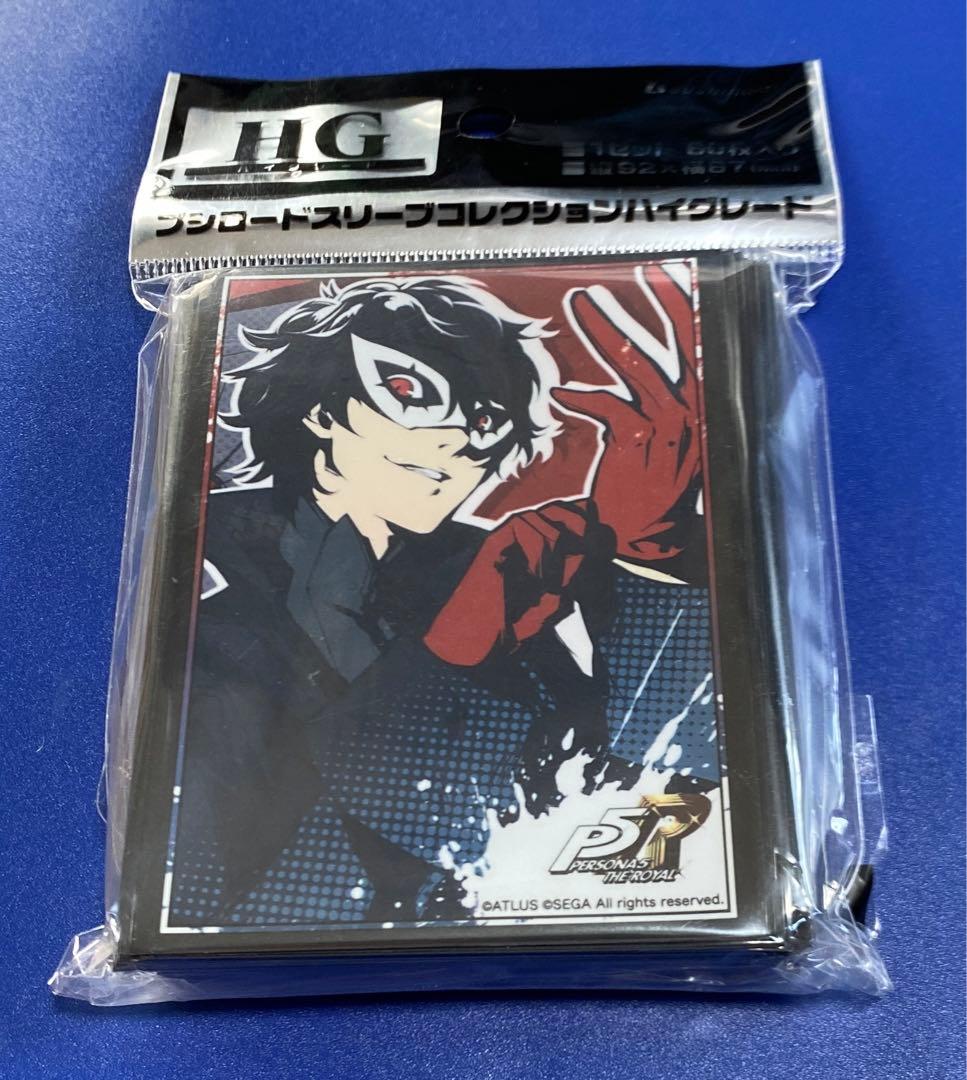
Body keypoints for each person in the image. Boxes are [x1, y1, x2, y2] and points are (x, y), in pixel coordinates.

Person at [171, 270, 710, 928]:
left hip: (540, 930)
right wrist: (444, 659)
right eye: (410, 392)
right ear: (320, 408)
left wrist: (645, 560)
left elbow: (651, 775)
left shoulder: (504, 566)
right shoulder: (196, 563)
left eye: (484, 420)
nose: (456, 438)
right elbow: (211, 891)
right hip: (321, 947)